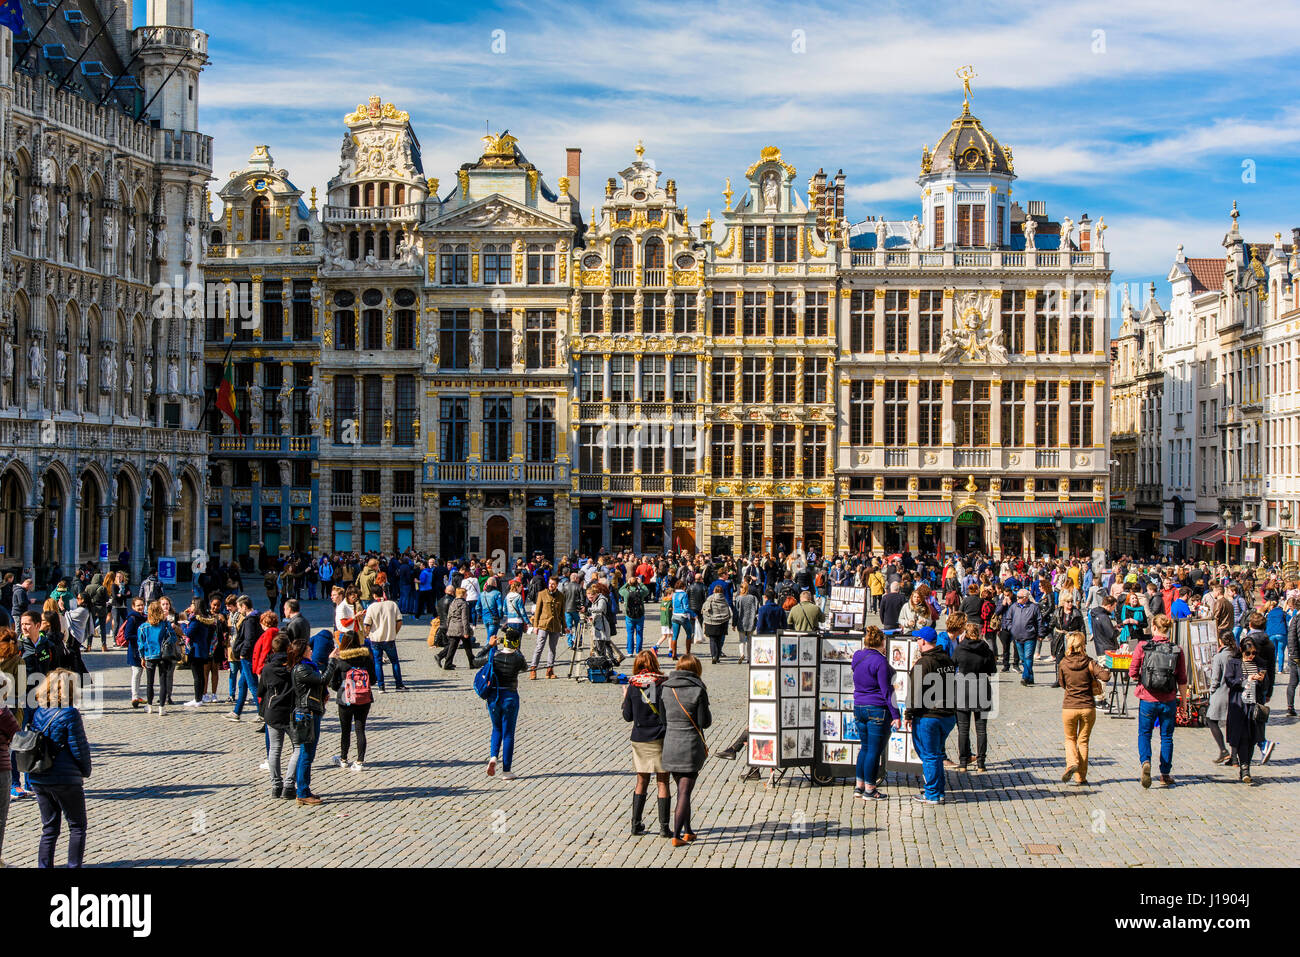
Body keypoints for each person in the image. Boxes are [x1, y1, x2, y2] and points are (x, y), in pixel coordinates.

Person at [28, 669, 92, 868]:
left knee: (49, 828)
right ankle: (73, 866)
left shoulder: (39, 712)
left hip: (39, 777)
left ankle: (44, 866)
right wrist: (85, 770)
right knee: (77, 826)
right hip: (65, 778)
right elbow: (79, 747)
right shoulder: (70, 713)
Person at [1129, 612, 1187, 788]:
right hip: (1168, 699)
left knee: (1145, 733)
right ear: (1168, 629)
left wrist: (1140, 678)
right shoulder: (1177, 650)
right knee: (1167, 737)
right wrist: (1183, 701)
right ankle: (1165, 773)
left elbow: (1132, 672)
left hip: (1147, 698)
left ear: (1153, 627)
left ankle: (1145, 761)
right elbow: (1182, 679)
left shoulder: (1143, 646)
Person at [662, 654, 710, 847]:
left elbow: (662, 720)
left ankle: (688, 831)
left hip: (670, 745)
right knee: (684, 791)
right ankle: (676, 836)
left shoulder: (665, 688)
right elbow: (704, 722)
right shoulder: (698, 689)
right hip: (690, 746)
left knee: (682, 789)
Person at [905, 627, 958, 805]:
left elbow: (914, 692)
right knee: (935, 754)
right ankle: (938, 791)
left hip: (929, 716)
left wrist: (908, 714)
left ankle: (933, 793)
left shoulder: (924, 663)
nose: (917, 643)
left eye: (917, 640)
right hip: (947, 715)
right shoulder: (948, 661)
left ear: (923, 641)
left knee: (929, 755)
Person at [622, 650, 671, 835]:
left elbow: (628, 717)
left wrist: (625, 698)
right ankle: (664, 828)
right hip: (659, 737)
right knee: (663, 782)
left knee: (641, 781)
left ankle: (636, 824)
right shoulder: (662, 684)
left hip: (640, 738)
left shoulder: (633, 686)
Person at [852, 626, 899, 799]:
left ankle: (859, 786)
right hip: (877, 709)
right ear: (881, 642)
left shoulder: (857, 656)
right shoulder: (880, 662)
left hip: (859, 707)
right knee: (874, 750)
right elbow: (887, 691)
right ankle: (870, 789)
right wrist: (896, 715)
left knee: (864, 748)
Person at [1057, 631, 1109, 786]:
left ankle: (1072, 762)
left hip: (1069, 706)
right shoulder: (1090, 662)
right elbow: (1105, 677)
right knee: (1083, 741)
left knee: (1070, 738)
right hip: (1087, 706)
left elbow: (1062, 683)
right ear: (1083, 645)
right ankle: (1081, 777)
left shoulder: (1063, 663)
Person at [323, 630, 376, 771]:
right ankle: (359, 761)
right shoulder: (366, 658)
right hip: (364, 698)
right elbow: (374, 679)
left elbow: (333, 684)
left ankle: (343, 759)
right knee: (360, 729)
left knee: (345, 730)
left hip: (345, 699)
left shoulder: (341, 661)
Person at [284, 636, 326, 806]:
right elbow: (323, 679)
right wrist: (331, 661)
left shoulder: (306, 667)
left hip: (310, 712)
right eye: (308, 649)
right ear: (302, 652)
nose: (311, 650)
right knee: (306, 753)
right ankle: (302, 791)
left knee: (308, 753)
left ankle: (304, 789)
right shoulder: (302, 669)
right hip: (306, 714)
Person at [484, 626, 527, 781]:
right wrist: (517, 649)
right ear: (516, 643)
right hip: (510, 697)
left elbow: (476, 659)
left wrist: (490, 646)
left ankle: (493, 757)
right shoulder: (518, 658)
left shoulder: (494, 656)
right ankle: (507, 771)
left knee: (496, 729)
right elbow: (525, 666)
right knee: (508, 733)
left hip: (494, 697)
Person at [953, 622, 996, 772]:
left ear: (965, 633)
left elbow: (952, 666)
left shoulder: (960, 648)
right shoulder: (986, 649)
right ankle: (981, 763)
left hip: (963, 689)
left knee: (963, 729)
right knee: (981, 729)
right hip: (982, 689)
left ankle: (963, 762)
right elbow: (992, 671)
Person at [258, 635, 295, 799]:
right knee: (299, 748)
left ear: (273, 650)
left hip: (272, 711)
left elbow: (260, 692)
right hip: (292, 712)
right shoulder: (292, 666)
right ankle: (289, 785)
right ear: (288, 648)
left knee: (274, 749)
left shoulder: (267, 668)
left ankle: (276, 785)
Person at [1226, 637, 1266, 784]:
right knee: (1242, 736)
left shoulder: (1260, 663)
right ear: (1242, 650)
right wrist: (1245, 680)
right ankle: (1245, 769)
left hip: (1254, 705)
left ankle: (1246, 765)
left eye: (1254, 653)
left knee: (1252, 738)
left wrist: (1262, 680)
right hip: (1239, 705)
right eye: (1248, 653)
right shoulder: (1234, 663)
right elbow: (1229, 681)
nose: (1251, 656)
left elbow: (1266, 685)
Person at [137, 601, 178, 716]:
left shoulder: (143, 627)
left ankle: (149, 706)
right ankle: (162, 708)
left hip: (149, 656)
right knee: (163, 682)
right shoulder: (165, 625)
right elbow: (173, 638)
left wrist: (142, 657)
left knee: (150, 682)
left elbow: (140, 644)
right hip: (163, 655)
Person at [362, 585, 406, 691]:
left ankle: (381, 686)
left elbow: (367, 624)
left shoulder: (371, 607)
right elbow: (399, 621)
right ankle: (399, 684)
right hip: (389, 638)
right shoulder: (392, 605)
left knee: (377, 662)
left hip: (375, 639)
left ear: (373, 595)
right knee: (394, 661)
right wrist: (394, 632)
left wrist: (366, 634)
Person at [1205, 632, 1238, 765]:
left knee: (1211, 720)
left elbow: (1216, 678)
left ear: (1221, 641)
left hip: (1221, 693)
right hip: (1235, 694)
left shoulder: (1219, 656)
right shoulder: (1237, 654)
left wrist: (1211, 691)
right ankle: (1234, 757)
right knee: (1233, 725)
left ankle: (1223, 750)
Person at [1004, 589, 1045, 686]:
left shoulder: (1034, 607)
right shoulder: (1014, 607)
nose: (1017, 599)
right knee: (1023, 658)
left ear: (1026, 598)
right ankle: (1030, 678)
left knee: (1028, 657)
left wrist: (1040, 634)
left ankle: (1025, 677)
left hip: (1030, 636)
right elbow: (1008, 618)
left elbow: (1039, 621)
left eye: (1020, 597)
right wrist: (1011, 628)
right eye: (1017, 597)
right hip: (1017, 636)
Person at [182, 600, 218, 708]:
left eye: (192, 604)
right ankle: (200, 697)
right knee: (201, 675)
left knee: (197, 676)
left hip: (195, 650)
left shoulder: (196, 620)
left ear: (196, 607)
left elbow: (188, 633)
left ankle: (197, 698)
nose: (190, 606)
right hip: (202, 649)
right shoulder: (205, 619)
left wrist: (184, 624)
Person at [529, 576, 564, 679]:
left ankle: (550, 670)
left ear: (557, 585)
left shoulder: (561, 596)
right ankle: (533, 669)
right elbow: (537, 611)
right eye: (549, 583)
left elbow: (562, 613)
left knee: (552, 649)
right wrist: (535, 626)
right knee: (539, 647)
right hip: (543, 625)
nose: (551, 585)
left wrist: (565, 627)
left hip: (556, 625)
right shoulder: (542, 594)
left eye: (553, 584)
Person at [1048, 596, 1084, 689]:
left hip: (1073, 638)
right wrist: (1041, 634)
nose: (1070, 604)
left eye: (1071, 601)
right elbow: (1051, 625)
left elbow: (1082, 626)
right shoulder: (1057, 612)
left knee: (1073, 659)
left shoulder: (1076, 612)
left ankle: (1072, 680)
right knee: (1059, 660)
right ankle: (1059, 680)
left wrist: (1083, 641)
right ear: (1063, 602)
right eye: (1068, 602)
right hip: (1060, 637)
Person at [442, 586, 475, 671]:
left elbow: (449, 616)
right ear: (463, 594)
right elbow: (465, 618)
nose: (467, 595)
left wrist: (448, 626)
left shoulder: (453, 602)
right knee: (468, 646)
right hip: (461, 628)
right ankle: (472, 663)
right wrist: (466, 631)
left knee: (452, 647)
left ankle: (447, 663)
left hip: (453, 627)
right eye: (466, 593)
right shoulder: (464, 604)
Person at [700, 583, 732, 664]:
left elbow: (705, 609)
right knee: (719, 640)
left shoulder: (710, 598)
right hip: (722, 622)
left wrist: (706, 619)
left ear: (714, 590)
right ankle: (717, 657)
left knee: (712, 639)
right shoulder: (724, 599)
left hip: (711, 622)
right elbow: (728, 610)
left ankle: (713, 655)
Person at [619, 576, 650, 656]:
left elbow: (620, 590)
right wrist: (641, 583)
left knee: (630, 633)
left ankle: (630, 651)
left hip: (629, 615)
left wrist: (627, 583)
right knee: (639, 633)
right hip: (640, 614)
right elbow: (647, 591)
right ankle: (638, 651)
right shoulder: (640, 592)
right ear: (637, 583)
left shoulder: (626, 591)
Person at [733, 581, 759, 664]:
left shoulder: (738, 598)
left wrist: (734, 623)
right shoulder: (753, 598)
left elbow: (735, 612)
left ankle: (742, 654)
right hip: (751, 621)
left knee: (741, 640)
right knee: (749, 640)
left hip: (741, 621)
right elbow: (757, 609)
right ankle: (749, 657)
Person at [669, 579, 695, 659]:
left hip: (674, 616)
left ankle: (674, 654)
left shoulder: (674, 594)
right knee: (689, 633)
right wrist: (693, 614)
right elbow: (686, 607)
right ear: (683, 587)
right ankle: (687, 653)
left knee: (675, 636)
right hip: (682, 616)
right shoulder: (684, 594)